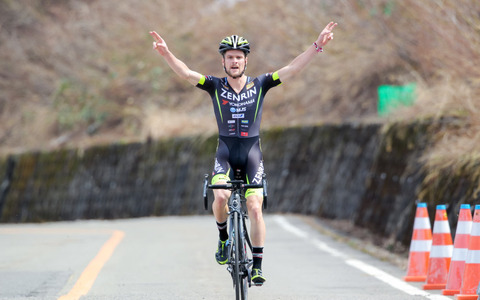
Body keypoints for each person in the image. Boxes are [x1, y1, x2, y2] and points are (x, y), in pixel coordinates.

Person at [150, 21, 337, 286]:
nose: (235, 61)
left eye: (239, 57)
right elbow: (186, 73)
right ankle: (224, 239)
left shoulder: (261, 84)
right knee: (220, 196)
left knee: (255, 208)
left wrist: (317, 46)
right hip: (225, 153)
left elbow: (293, 69)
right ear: (223, 62)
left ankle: (258, 266)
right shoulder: (214, 85)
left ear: (246, 61)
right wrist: (167, 53)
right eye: (230, 58)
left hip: (251, 154)